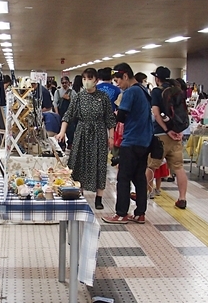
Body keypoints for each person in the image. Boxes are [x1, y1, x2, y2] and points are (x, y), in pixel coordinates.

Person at [55, 68, 116, 210]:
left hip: (99, 134)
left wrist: (111, 137)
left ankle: (99, 197)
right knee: (78, 163)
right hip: (81, 133)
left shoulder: (103, 97)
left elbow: (110, 118)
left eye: (89, 78)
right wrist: (62, 132)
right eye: (84, 78)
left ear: (96, 80)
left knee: (99, 164)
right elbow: (68, 115)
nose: (86, 81)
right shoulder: (79, 97)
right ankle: (79, 193)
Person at [102, 63, 152, 224]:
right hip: (144, 141)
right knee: (139, 178)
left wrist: (114, 114)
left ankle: (121, 213)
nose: (118, 85)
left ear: (125, 76)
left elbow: (122, 117)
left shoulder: (130, 92)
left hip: (131, 141)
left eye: (118, 81)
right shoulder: (143, 90)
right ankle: (140, 213)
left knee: (123, 177)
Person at [150, 67, 189, 208]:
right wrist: (177, 130)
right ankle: (182, 198)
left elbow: (156, 114)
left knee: (151, 165)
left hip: (160, 135)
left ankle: (145, 192)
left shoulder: (157, 91)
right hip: (177, 135)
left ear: (157, 78)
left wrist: (167, 130)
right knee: (179, 167)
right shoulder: (177, 90)